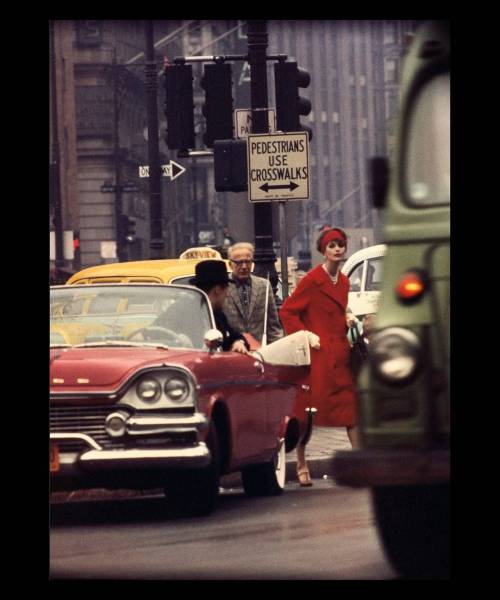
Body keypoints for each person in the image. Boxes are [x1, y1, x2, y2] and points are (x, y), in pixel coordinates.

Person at [279, 227, 359, 487]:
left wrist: (348, 319)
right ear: (323, 250)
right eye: (332, 245)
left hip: (341, 355)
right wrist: (305, 335)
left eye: (340, 245)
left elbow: (335, 312)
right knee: (310, 413)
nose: (337, 249)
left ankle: (359, 461)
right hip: (319, 356)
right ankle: (301, 462)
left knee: (351, 410)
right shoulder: (312, 280)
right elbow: (288, 312)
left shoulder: (345, 281)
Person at [155, 260, 249, 353]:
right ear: (218, 290)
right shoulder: (179, 309)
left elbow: (232, 336)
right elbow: (154, 333)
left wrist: (238, 342)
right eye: (226, 290)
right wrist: (179, 341)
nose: (227, 295)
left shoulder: (217, 314)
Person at [223, 242, 283, 348]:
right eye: (239, 263)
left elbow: (273, 326)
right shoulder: (222, 287)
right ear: (230, 264)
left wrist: (278, 350)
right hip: (232, 352)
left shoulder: (264, 286)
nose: (244, 266)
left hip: (260, 351)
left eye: (248, 262)